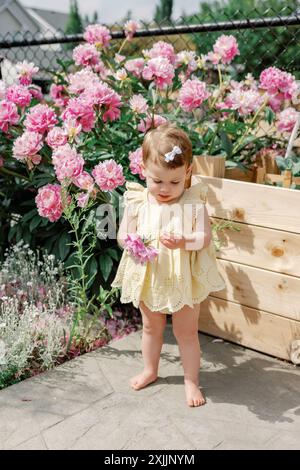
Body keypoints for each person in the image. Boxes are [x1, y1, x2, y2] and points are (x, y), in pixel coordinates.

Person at [111, 123, 225, 407]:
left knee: (186, 332)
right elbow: (122, 236)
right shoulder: (139, 200)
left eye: (174, 182)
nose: (164, 189)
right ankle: (150, 370)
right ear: (144, 170)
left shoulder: (193, 202)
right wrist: (132, 241)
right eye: (157, 180)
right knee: (151, 328)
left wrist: (186, 239)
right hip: (151, 276)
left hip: (182, 278)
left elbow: (205, 238)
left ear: (187, 172)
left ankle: (191, 381)